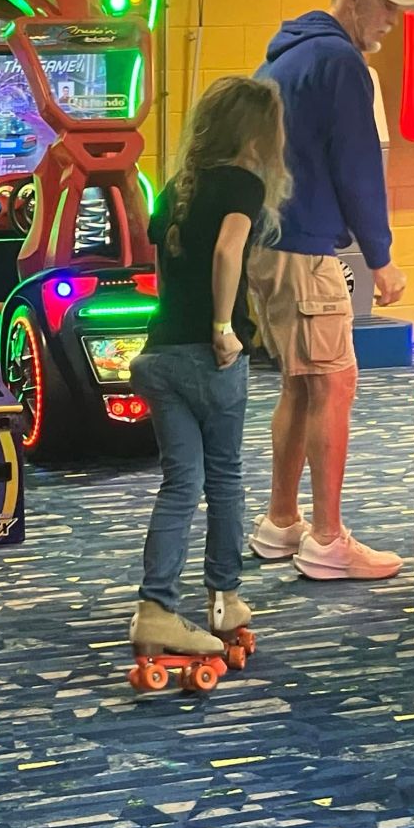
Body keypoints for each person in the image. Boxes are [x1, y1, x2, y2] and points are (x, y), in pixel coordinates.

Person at [247, 0, 414, 580]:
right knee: (334, 383)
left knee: (302, 381)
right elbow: (358, 166)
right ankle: (326, 540)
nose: (391, 23)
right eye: (385, 8)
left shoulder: (286, 55)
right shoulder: (341, 62)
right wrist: (382, 258)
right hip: (303, 248)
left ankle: (281, 521)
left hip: (269, 241)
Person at [129, 76, 291, 658]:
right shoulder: (243, 183)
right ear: (256, 134)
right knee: (224, 478)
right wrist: (223, 327)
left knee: (180, 484)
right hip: (209, 358)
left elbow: (162, 270)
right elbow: (228, 250)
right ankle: (225, 596)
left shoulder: (177, 187)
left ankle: (155, 610)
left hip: (160, 355)